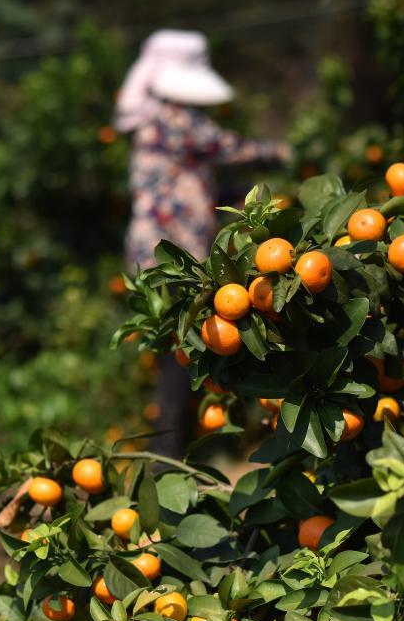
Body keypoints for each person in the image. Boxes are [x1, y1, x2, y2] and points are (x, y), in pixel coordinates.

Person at [116, 29, 288, 457]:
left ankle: (176, 450)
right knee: (181, 353)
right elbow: (229, 147)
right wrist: (284, 152)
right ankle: (171, 457)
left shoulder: (155, 118)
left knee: (179, 353)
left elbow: (192, 180)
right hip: (170, 255)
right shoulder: (172, 119)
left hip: (152, 252)